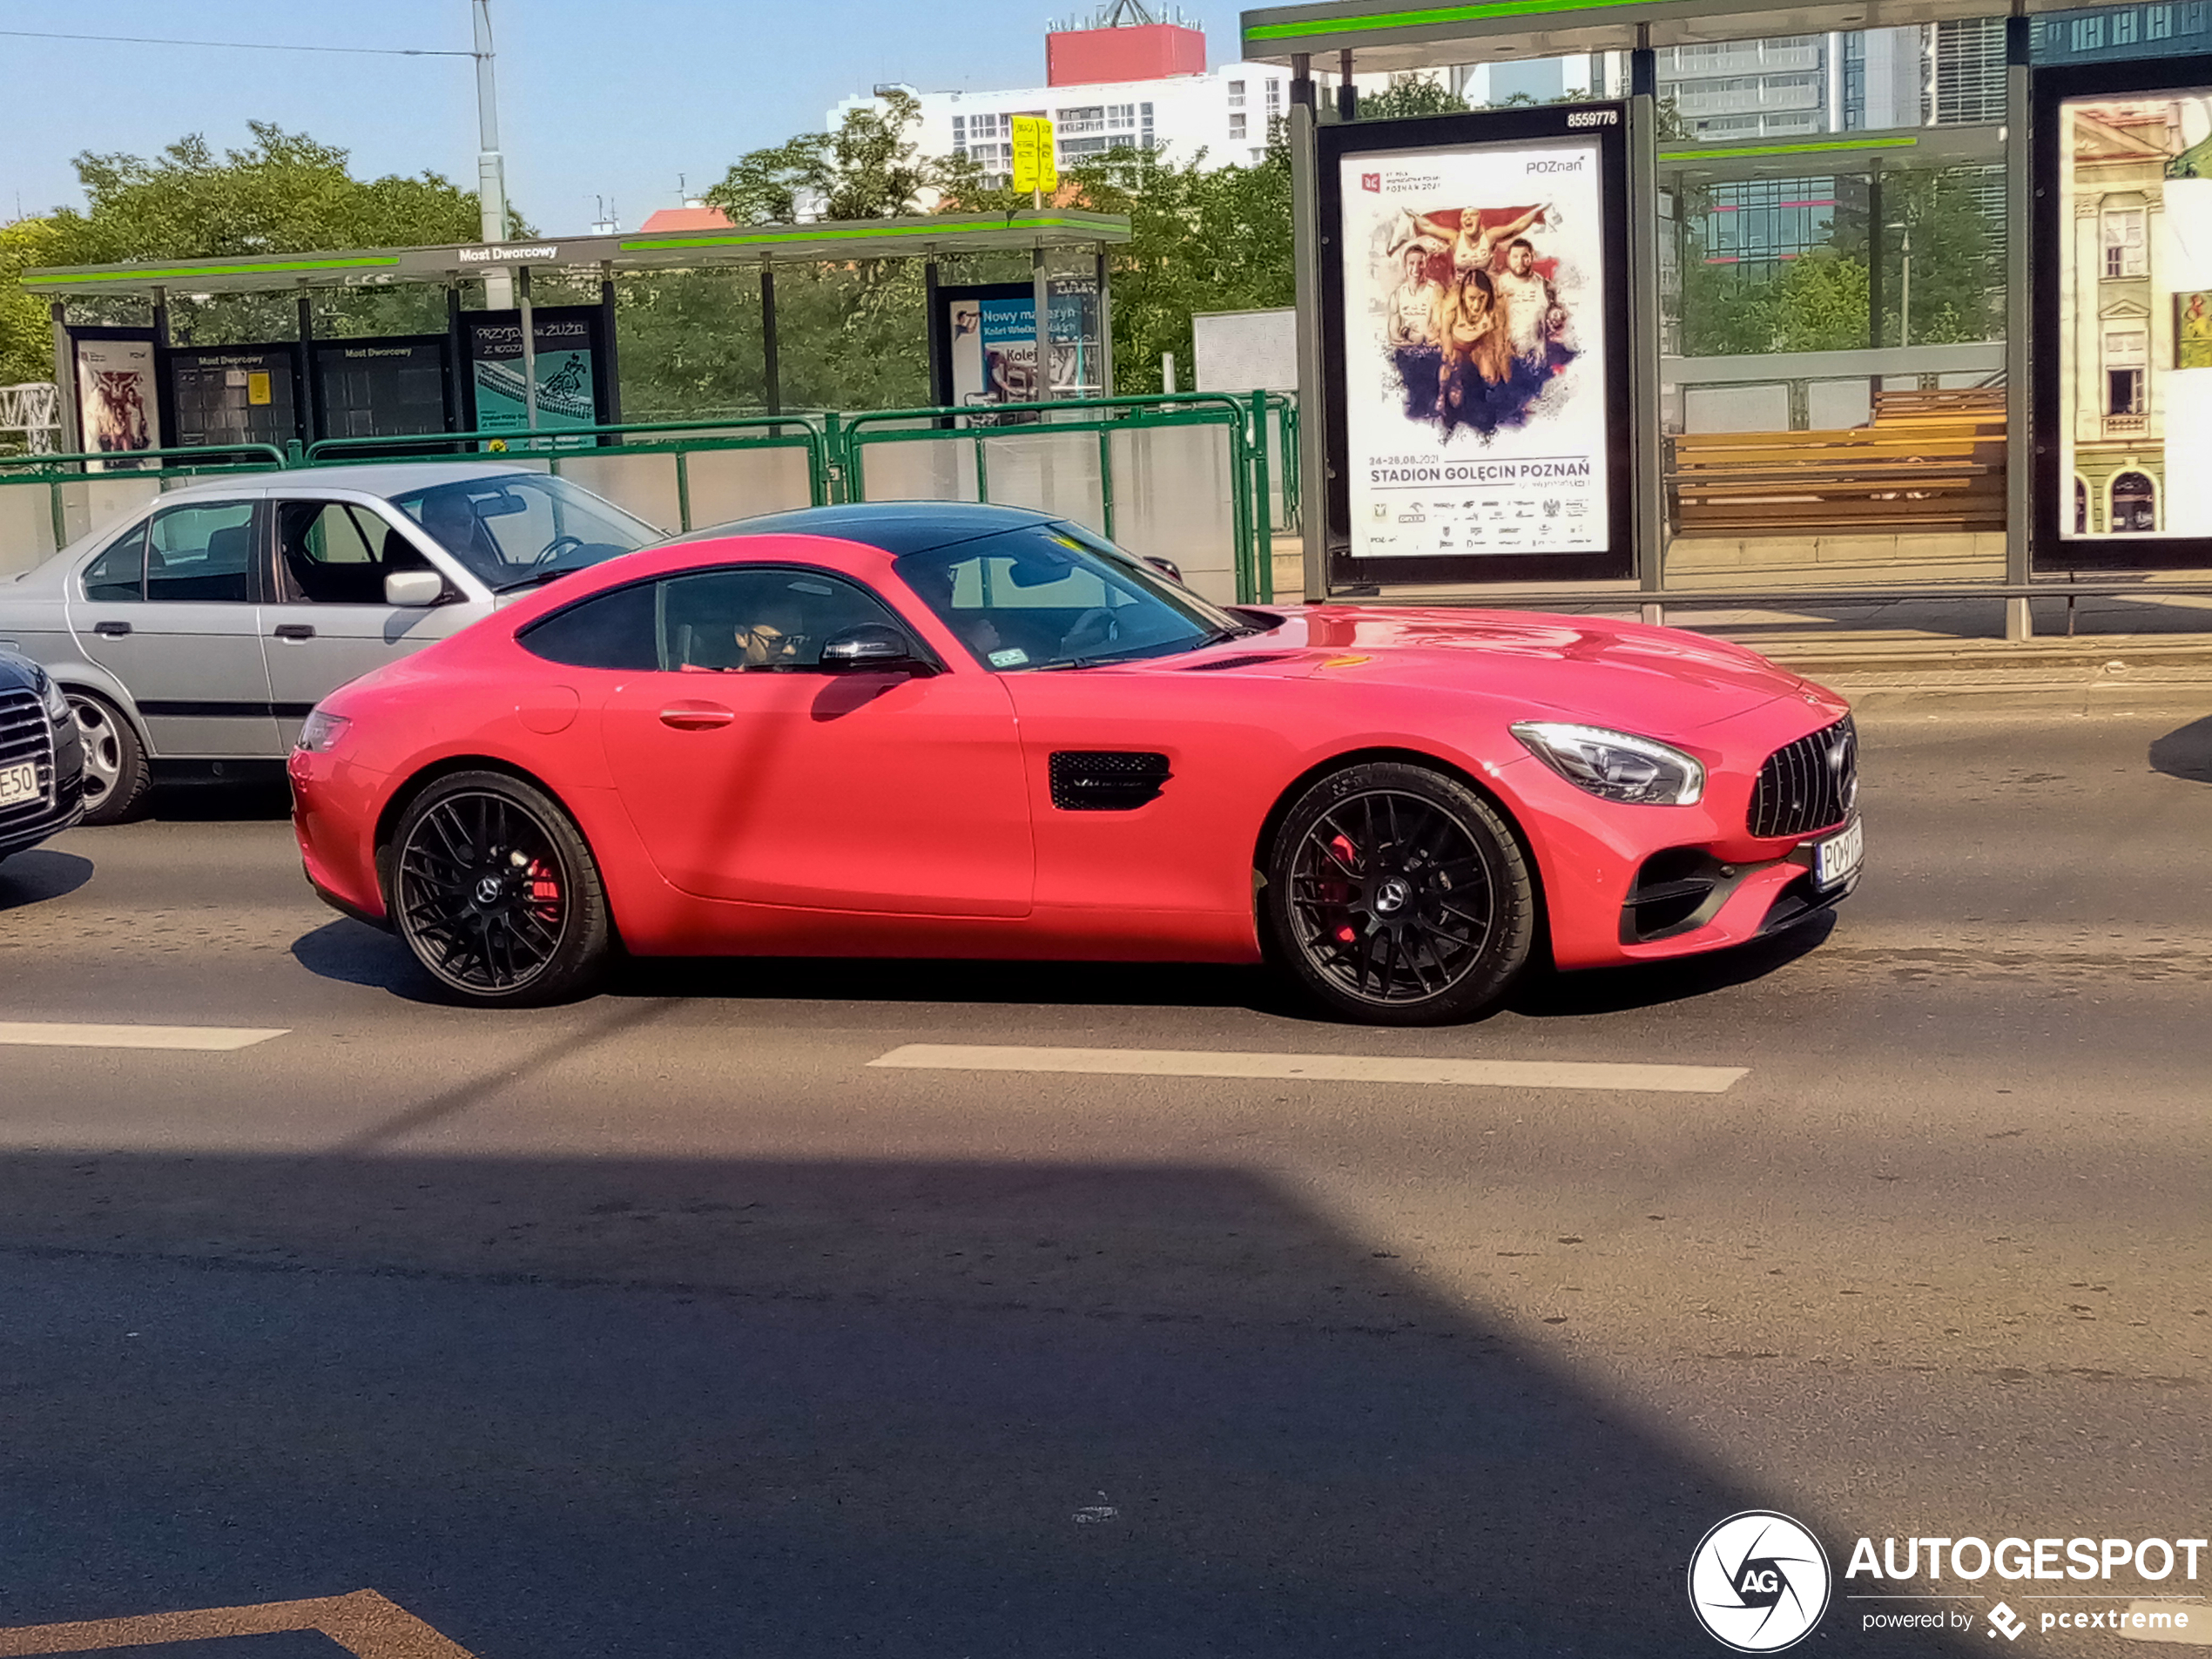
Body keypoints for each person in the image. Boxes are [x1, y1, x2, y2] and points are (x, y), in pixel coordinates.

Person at [1410, 202, 1550, 280]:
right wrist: (1412, 216)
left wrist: (1536, 212)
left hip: (1488, 292)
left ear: (1480, 219)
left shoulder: (1490, 236)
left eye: (1473, 215)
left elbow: (1516, 226)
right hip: (1462, 294)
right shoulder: (1455, 238)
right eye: (1465, 216)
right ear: (1461, 221)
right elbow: (1429, 227)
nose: (1468, 219)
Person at [1386, 242, 1447, 420]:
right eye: (1411, 263)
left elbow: (1435, 329)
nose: (1416, 268)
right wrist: (1410, 338)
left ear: (1426, 264)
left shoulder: (1435, 290)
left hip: (1431, 353)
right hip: (1407, 353)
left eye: (1420, 263)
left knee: (1429, 380)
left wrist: (1411, 334)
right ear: (1405, 266)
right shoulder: (1398, 294)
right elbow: (1393, 333)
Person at [1493, 237, 1565, 373]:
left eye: (1525, 256)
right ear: (1508, 258)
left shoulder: (1544, 285)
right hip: (1505, 360)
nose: (1520, 261)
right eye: (1515, 256)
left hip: (1535, 360)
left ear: (1532, 256)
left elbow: (1554, 313)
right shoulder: (1498, 285)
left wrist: (1556, 315)